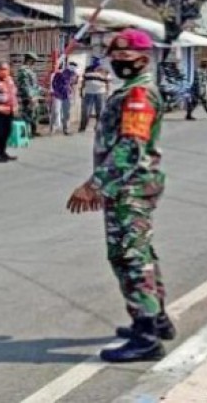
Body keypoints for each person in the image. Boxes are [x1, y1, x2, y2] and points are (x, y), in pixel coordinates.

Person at [66, 28, 173, 363]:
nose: (118, 62)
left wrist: (95, 185)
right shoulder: (132, 89)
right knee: (141, 252)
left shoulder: (138, 93)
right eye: (115, 57)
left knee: (129, 257)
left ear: (143, 59)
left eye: (125, 57)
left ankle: (146, 337)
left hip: (130, 185)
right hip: (132, 184)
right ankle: (156, 319)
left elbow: (130, 146)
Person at [79, 57, 110, 132]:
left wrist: (107, 92)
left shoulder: (105, 71)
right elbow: (83, 81)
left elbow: (107, 82)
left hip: (101, 93)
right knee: (86, 111)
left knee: (100, 111)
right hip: (89, 93)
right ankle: (82, 128)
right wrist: (81, 90)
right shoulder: (88, 69)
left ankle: (98, 128)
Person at [15, 52, 41, 137]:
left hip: (33, 96)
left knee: (34, 113)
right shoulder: (23, 70)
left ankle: (33, 131)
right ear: (29, 60)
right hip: (27, 97)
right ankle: (25, 133)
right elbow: (25, 85)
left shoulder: (30, 70)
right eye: (34, 61)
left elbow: (34, 84)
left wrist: (42, 90)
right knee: (27, 114)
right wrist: (30, 97)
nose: (34, 63)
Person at [50, 61, 78, 135]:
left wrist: (73, 95)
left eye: (74, 66)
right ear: (69, 66)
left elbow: (73, 85)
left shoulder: (74, 74)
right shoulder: (60, 72)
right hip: (58, 95)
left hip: (67, 96)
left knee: (67, 113)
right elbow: (54, 83)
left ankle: (66, 129)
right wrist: (55, 92)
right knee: (56, 112)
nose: (73, 67)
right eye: (72, 65)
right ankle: (53, 128)